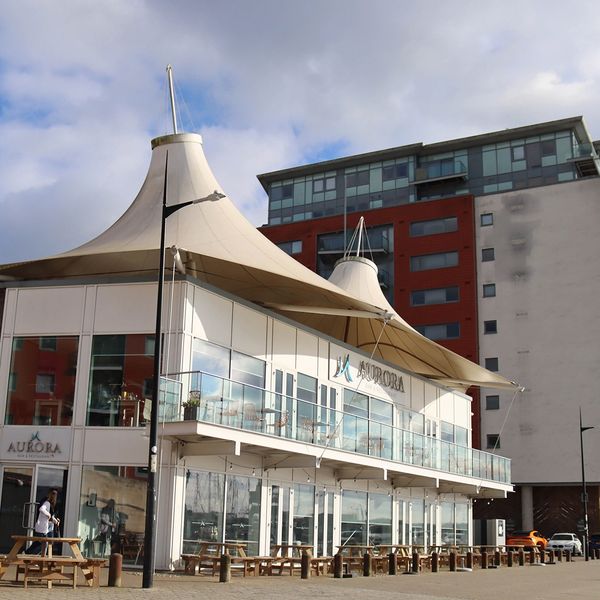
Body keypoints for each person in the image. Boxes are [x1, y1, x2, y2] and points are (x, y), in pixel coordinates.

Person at [25, 488, 60, 555]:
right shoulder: (47, 503)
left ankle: (32, 555)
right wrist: (48, 514)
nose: (55, 497)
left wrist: (56, 522)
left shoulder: (51, 505)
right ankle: (30, 555)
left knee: (43, 543)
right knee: (42, 543)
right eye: (54, 495)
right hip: (42, 527)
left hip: (46, 527)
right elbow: (42, 509)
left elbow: (51, 516)